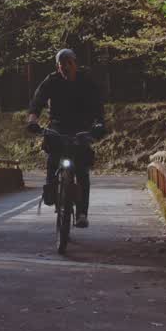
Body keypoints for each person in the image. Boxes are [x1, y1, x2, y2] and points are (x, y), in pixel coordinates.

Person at [26, 49, 107, 228]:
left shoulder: (86, 81)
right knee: (52, 158)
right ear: (58, 66)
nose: (66, 67)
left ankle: (82, 213)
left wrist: (99, 124)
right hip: (58, 127)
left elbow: (97, 106)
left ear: (75, 63)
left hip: (81, 128)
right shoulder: (52, 80)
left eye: (69, 63)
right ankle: (51, 191)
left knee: (82, 171)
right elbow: (37, 101)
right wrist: (33, 120)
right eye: (62, 64)